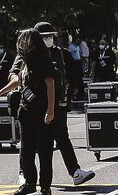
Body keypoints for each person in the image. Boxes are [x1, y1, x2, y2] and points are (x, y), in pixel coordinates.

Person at [0, 28, 56, 195]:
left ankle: (45, 186)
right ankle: (29, 183)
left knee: (44, 149)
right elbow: (17, 80)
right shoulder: (25, 61)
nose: (19, 44)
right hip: (25, 109)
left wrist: (50, 110)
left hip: (41, 110)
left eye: (22, 41)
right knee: (26, 149)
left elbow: (50, 85)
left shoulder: (44, 60)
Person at [32, 22, 95, 185]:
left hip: (58, 104)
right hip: (37, 106)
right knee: (38, 143)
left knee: (62, 136)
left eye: (50, 36)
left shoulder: (62, 54)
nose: (48, 39)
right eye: (44, 37)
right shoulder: (30, 54)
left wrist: (75, 88)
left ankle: (75, 171)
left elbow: (74, 73)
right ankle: (29, 176)